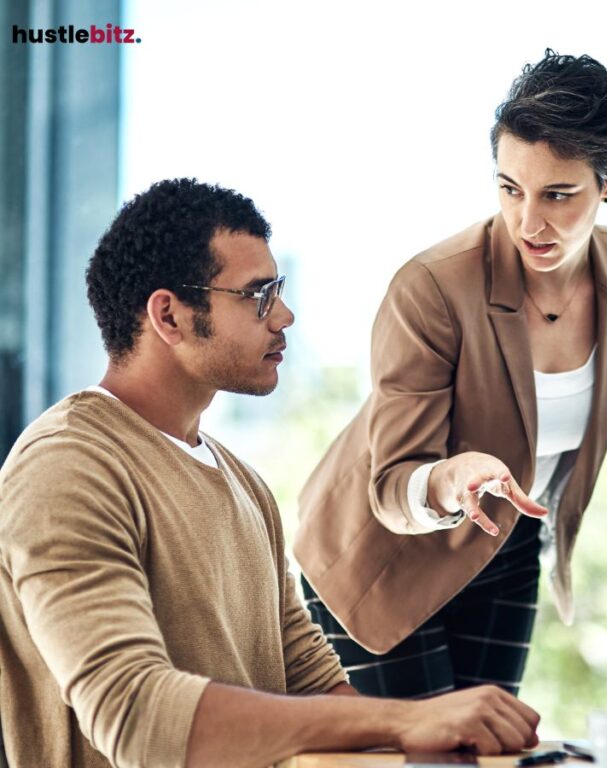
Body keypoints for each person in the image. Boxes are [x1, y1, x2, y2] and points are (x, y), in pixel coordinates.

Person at [0, 178, 540, 768]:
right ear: (170, 316)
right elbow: (136, 716)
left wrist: (434, 741)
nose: (284, 314)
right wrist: (409, 717)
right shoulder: (67, 466)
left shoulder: (247, 486)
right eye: (258, 296)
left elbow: (312, 683)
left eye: (277, 290)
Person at [296, 49, 607, 698]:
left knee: (491, 752)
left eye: (558, 194)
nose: (530, 221)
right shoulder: (434, 287)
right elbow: (390, 485)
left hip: (506, 545)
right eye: (510, 189)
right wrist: (449, 477)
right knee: (425, 759)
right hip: (380, 558)